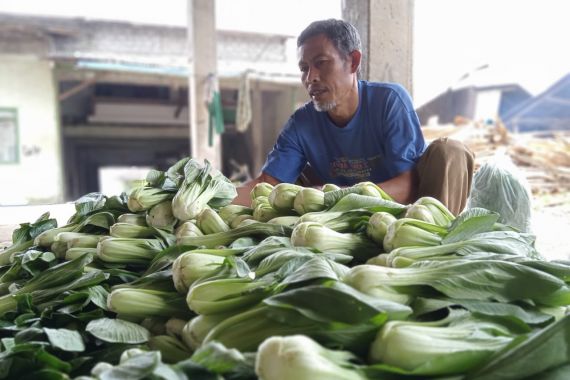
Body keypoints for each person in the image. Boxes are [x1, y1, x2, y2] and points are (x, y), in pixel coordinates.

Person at [234, 19, 474, 215]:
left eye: (321, 63)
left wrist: (338, 195)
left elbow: (407, 186)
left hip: (406, 213)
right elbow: (265, 185)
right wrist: (208, 197)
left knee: (450, 152)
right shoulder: (302, 123)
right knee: (289, 186)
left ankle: (436, 244)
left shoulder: (389, 101)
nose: (310, 78)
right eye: (304, 68)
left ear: (353, 61)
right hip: (344, 218)